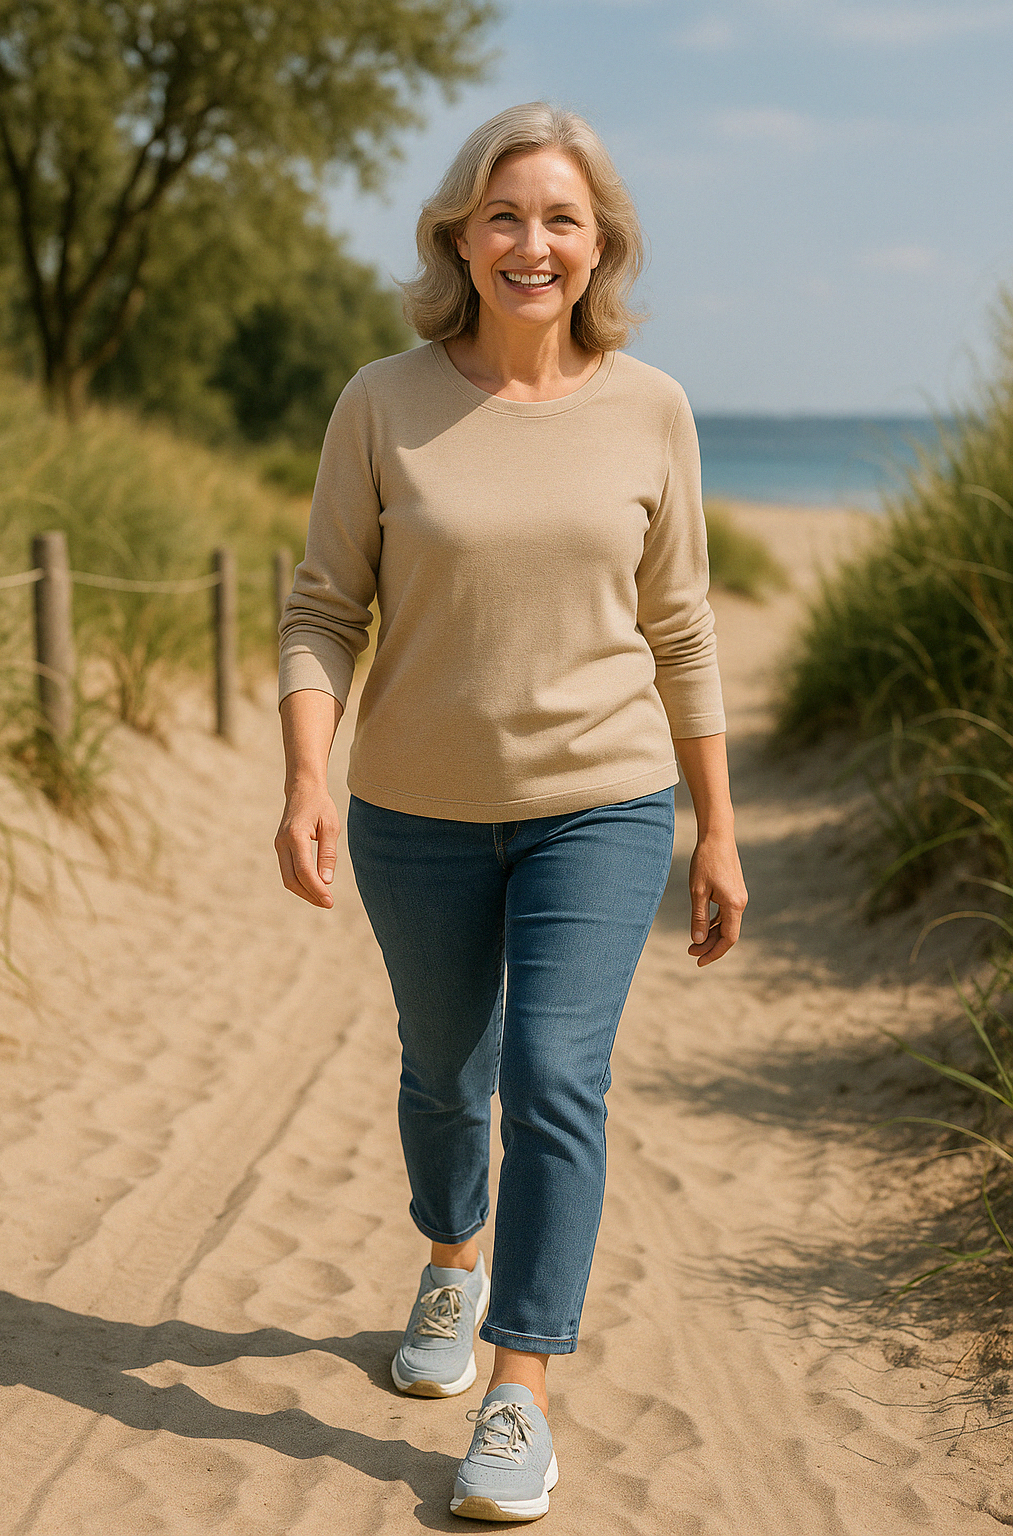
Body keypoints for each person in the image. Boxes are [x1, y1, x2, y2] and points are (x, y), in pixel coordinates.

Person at [274, 101, 747, 1524]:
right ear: (460, 238)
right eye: (503, 214)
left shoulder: (652, 406)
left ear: (599, 245)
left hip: (601, 805)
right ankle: (451, 1258)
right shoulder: (384, 399)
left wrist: (717, 826)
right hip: (412, 810)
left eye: (559, 218)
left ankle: (519, 1391)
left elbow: (684, 629)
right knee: (444, 1071)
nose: (530, 242)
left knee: (553, 1075)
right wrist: (307, 774)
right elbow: (318, 611)